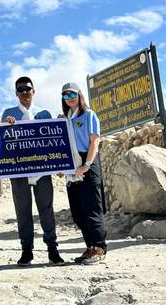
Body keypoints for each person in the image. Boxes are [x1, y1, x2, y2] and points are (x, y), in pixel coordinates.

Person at [2, 76, 64, 265]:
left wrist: (61, 164)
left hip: (42, 171)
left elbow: (53, 140)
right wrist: (6, 127)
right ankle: (26, 251)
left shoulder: (44, 113)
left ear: (33, 91)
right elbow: (2, 141)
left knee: (46, 209)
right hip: (19, 171)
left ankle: (52, 249)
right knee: (23, 211)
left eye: (27, 89)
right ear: (16, 94)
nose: (24, 92)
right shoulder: (8, 114)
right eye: (20, 90)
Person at [61, 82, 107, 265]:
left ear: (79, 94)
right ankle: (89, 247)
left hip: (87, 162)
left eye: (71, 94)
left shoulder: (89, 115)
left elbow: (94, 142)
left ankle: (99, 248)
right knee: (78, 210)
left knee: (92, 207)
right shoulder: (66, 119)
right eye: (65, 96)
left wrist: (87, 164)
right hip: (72, 165)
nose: (69, 98)